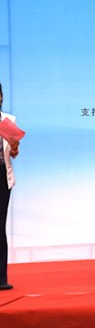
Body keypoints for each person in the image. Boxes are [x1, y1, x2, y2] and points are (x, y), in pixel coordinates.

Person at [0, 83, 20, 291]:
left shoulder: (8, 120)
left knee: (0, 227)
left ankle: (1, 278)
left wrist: (14, 146)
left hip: (2, 176)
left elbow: (13, 153)